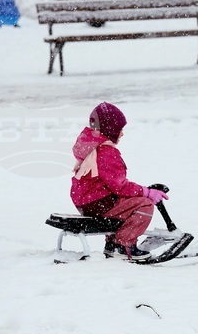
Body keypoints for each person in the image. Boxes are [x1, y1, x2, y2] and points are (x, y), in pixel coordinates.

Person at [70, 102, 167, 259]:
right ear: (111, 130)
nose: (122, 134)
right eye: (119, 130)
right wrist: (146, 192)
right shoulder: (106, 151)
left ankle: (112, 244)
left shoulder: (93, 148)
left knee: (124, 205)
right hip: (98, 201)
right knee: (143, 204)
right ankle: (123, 245)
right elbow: (120, 186)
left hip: (89, 201)